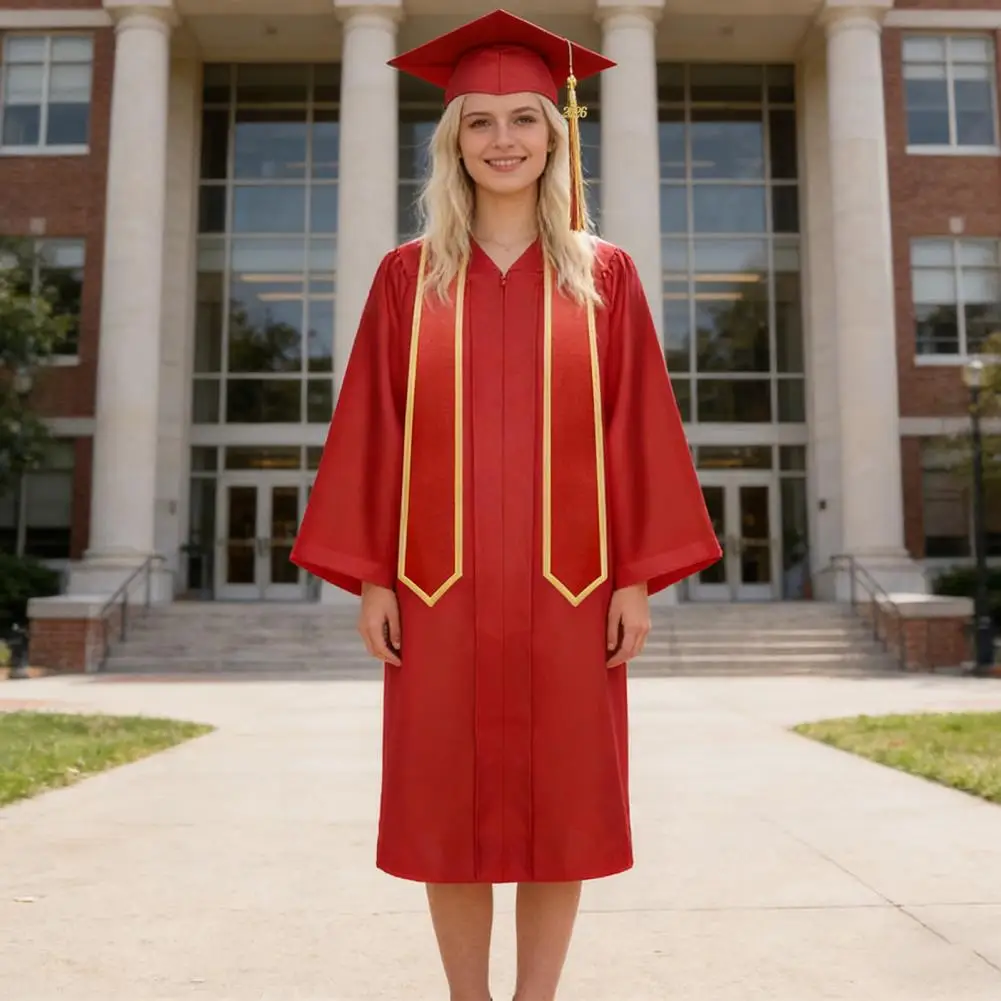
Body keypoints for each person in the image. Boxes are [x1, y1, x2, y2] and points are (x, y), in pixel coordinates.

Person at [291, 10, 721, 1000]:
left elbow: (637, 428)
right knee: (446, 810)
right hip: (435, 593)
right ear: (451, 142)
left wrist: (634, 580)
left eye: (523, 118)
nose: (502, 140)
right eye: (478, 122)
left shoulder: (600, 275)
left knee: (559, 807)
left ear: (554, 132)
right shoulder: (408, 277)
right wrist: (369, 577)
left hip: (570, 594)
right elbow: (373, 426)